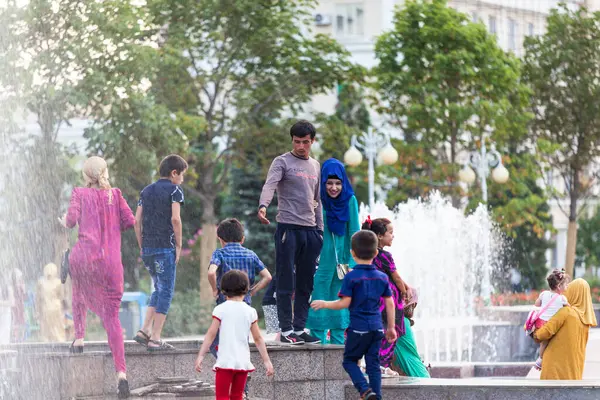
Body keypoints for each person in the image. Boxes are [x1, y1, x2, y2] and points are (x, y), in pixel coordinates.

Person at [61, 156, 135, 398]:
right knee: (112, 317)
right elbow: (129, 221)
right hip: (111, 263)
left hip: (84, 256)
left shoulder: (80, 193)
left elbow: (70, 221)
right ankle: (121, 374)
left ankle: (80, 338)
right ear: (104, 172)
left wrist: (64, 221)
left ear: (86, 176)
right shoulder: (115, 194)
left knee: (78, 291)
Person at [258, 120, 323, 345]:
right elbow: (269, 185)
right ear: (292, 140)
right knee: (286, 280)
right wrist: (263, 205)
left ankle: (300, 327)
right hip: (288, 228)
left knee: (306, 283)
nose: (301, 146)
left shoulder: (315, 166)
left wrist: (320, 230)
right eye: (297, 142)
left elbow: (318, 200)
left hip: (311, 231)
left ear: (312, 141)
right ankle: (286, 330)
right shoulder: (282, 161)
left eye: (306, 142)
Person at [311, 230, 396, 400]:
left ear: (352, 253)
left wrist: (324, 303)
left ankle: (365, 390)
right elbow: (390, 303)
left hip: (358, 329)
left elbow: (344, 303)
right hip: (376, 329)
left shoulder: (351, 277)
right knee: (373, 364)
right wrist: (392, 327)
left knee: (349, 361)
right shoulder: (381, 277)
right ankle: (376, 396)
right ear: (376, 253)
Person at [207, 218, 272, 398]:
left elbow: (211, 272)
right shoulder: (251, 254)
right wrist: (251, 291)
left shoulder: (219, 254)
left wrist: (215, 289)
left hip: (224, 304)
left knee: (215, 343)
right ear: (242, 238)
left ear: (220, 238)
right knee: (242, 341)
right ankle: (242, 376)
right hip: (245, 305)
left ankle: (232, 371)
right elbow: (267, 277)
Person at [363, 217, 429, 378]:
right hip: (389, 302)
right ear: (379, 236)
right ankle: (382, 365)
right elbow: (396, 278)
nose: (393, 236)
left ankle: (378, 364)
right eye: (390, 233)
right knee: (393, 333)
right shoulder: (385, 256)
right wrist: (405, 292)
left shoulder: (368, 254)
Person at [133, 154, 187, 351]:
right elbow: (175, 220)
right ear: (174, 173)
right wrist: (179, 245)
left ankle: (144, 330)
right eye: (181, 175)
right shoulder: (175, 191)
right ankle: (156, 337)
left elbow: (136, 221)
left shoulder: (145, 191)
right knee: (166, 290)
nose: (182, 179)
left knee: (158, 287)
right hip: (165, 248)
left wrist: (141, 245)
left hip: (148, 248)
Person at [195, 270, 274, 400]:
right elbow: (258, 339)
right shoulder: (250, 311)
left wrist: (201, 355)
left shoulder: (220, 309)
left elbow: (211, 334)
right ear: (246, 288)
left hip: (225, 362)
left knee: (222, 397)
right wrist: (267, 361)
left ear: (223, 289)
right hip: (242, 362)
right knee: (237, 396)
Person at [306, 158, 360, 344]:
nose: (334, 188)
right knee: (318, 302)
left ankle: (338, 354)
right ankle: (316, 349)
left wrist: (354, 263)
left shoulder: (349, 200)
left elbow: (354, 231)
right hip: (320, 263)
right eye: (329, 183)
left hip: (343, 262)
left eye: (338, 183)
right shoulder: (318, 200)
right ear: (323, 183)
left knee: (339, 305)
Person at [534, 278, 597, 380]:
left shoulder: (566, 312)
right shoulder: (586, 322)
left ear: (574, 293)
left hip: (554, 372)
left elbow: (542, 334)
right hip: (574, 373)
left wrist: (533, 330)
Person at [532, 269, 570, 370]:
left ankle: (541, 358)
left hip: (540, 322)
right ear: (559, 286)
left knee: (543, 343)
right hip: (549, 324)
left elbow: (536, 305)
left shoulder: (544, 294)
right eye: (566, 284)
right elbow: (569, 309)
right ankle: (540, 360)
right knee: (546, 342)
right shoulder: (562, 299)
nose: (567, 286)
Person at [36, 263, 66, 343]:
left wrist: (37, 310)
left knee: (46, 327)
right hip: (56, 308)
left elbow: (38, 298)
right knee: (58, 326)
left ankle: (46, 340)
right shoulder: (58, 282)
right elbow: (61, 296)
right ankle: (59, 340)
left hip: (45, 308)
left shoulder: (41, 282)